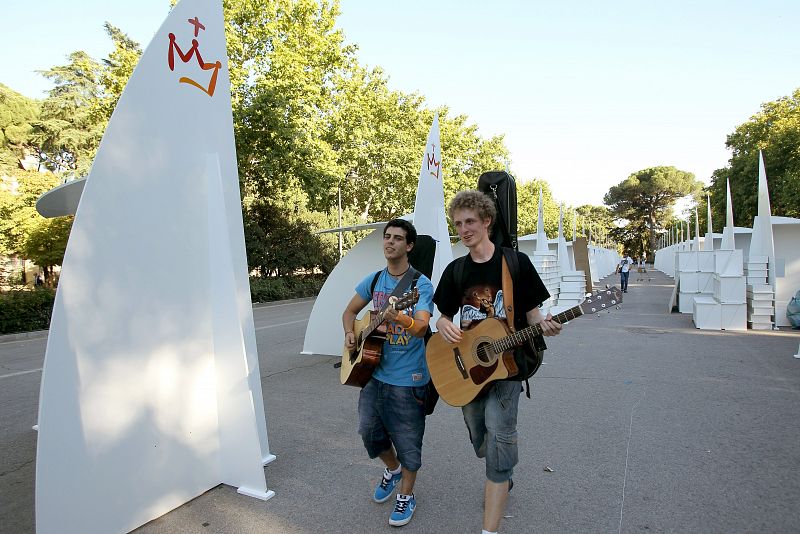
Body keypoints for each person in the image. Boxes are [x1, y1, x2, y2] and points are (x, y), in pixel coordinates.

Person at [432, 190, 562, 534]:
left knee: (500, 432)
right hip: (467, 368)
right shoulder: (456, 269)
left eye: (470, 221)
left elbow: (534, 315)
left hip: (509, 365)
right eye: (458, 223)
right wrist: (444, 325)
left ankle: (493, 512)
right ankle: (499, 466)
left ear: (487, 221)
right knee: (480, 434)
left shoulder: (514, 263)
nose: (464, 229)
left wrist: (545, 327)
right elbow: (441, 318)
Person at [341, 218, 434, 527]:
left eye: (397, 238)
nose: (390, 242)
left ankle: (407, 495)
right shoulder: (374, 279)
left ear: (409, 246)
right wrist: (350, 335)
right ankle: (392, 471)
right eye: (387, 237)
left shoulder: (420, 285)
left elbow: (421, 328)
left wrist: (400, 318)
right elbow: (349, 312)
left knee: (408, 442)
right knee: (369, 433)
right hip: (372, 373)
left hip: (408, 379)